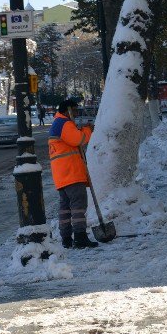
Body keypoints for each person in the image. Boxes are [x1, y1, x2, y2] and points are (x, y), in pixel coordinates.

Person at [49, 99, 98, 249]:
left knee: (65, 208)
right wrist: (88, 130)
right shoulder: (64, 124)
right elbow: (79, 139)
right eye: (75, 110)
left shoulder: (57, 123)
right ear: (67, 110)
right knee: (78, 206)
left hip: (62, 175)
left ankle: (66, 238)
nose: (76, 114)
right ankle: (80, 237)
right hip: (71, 173)